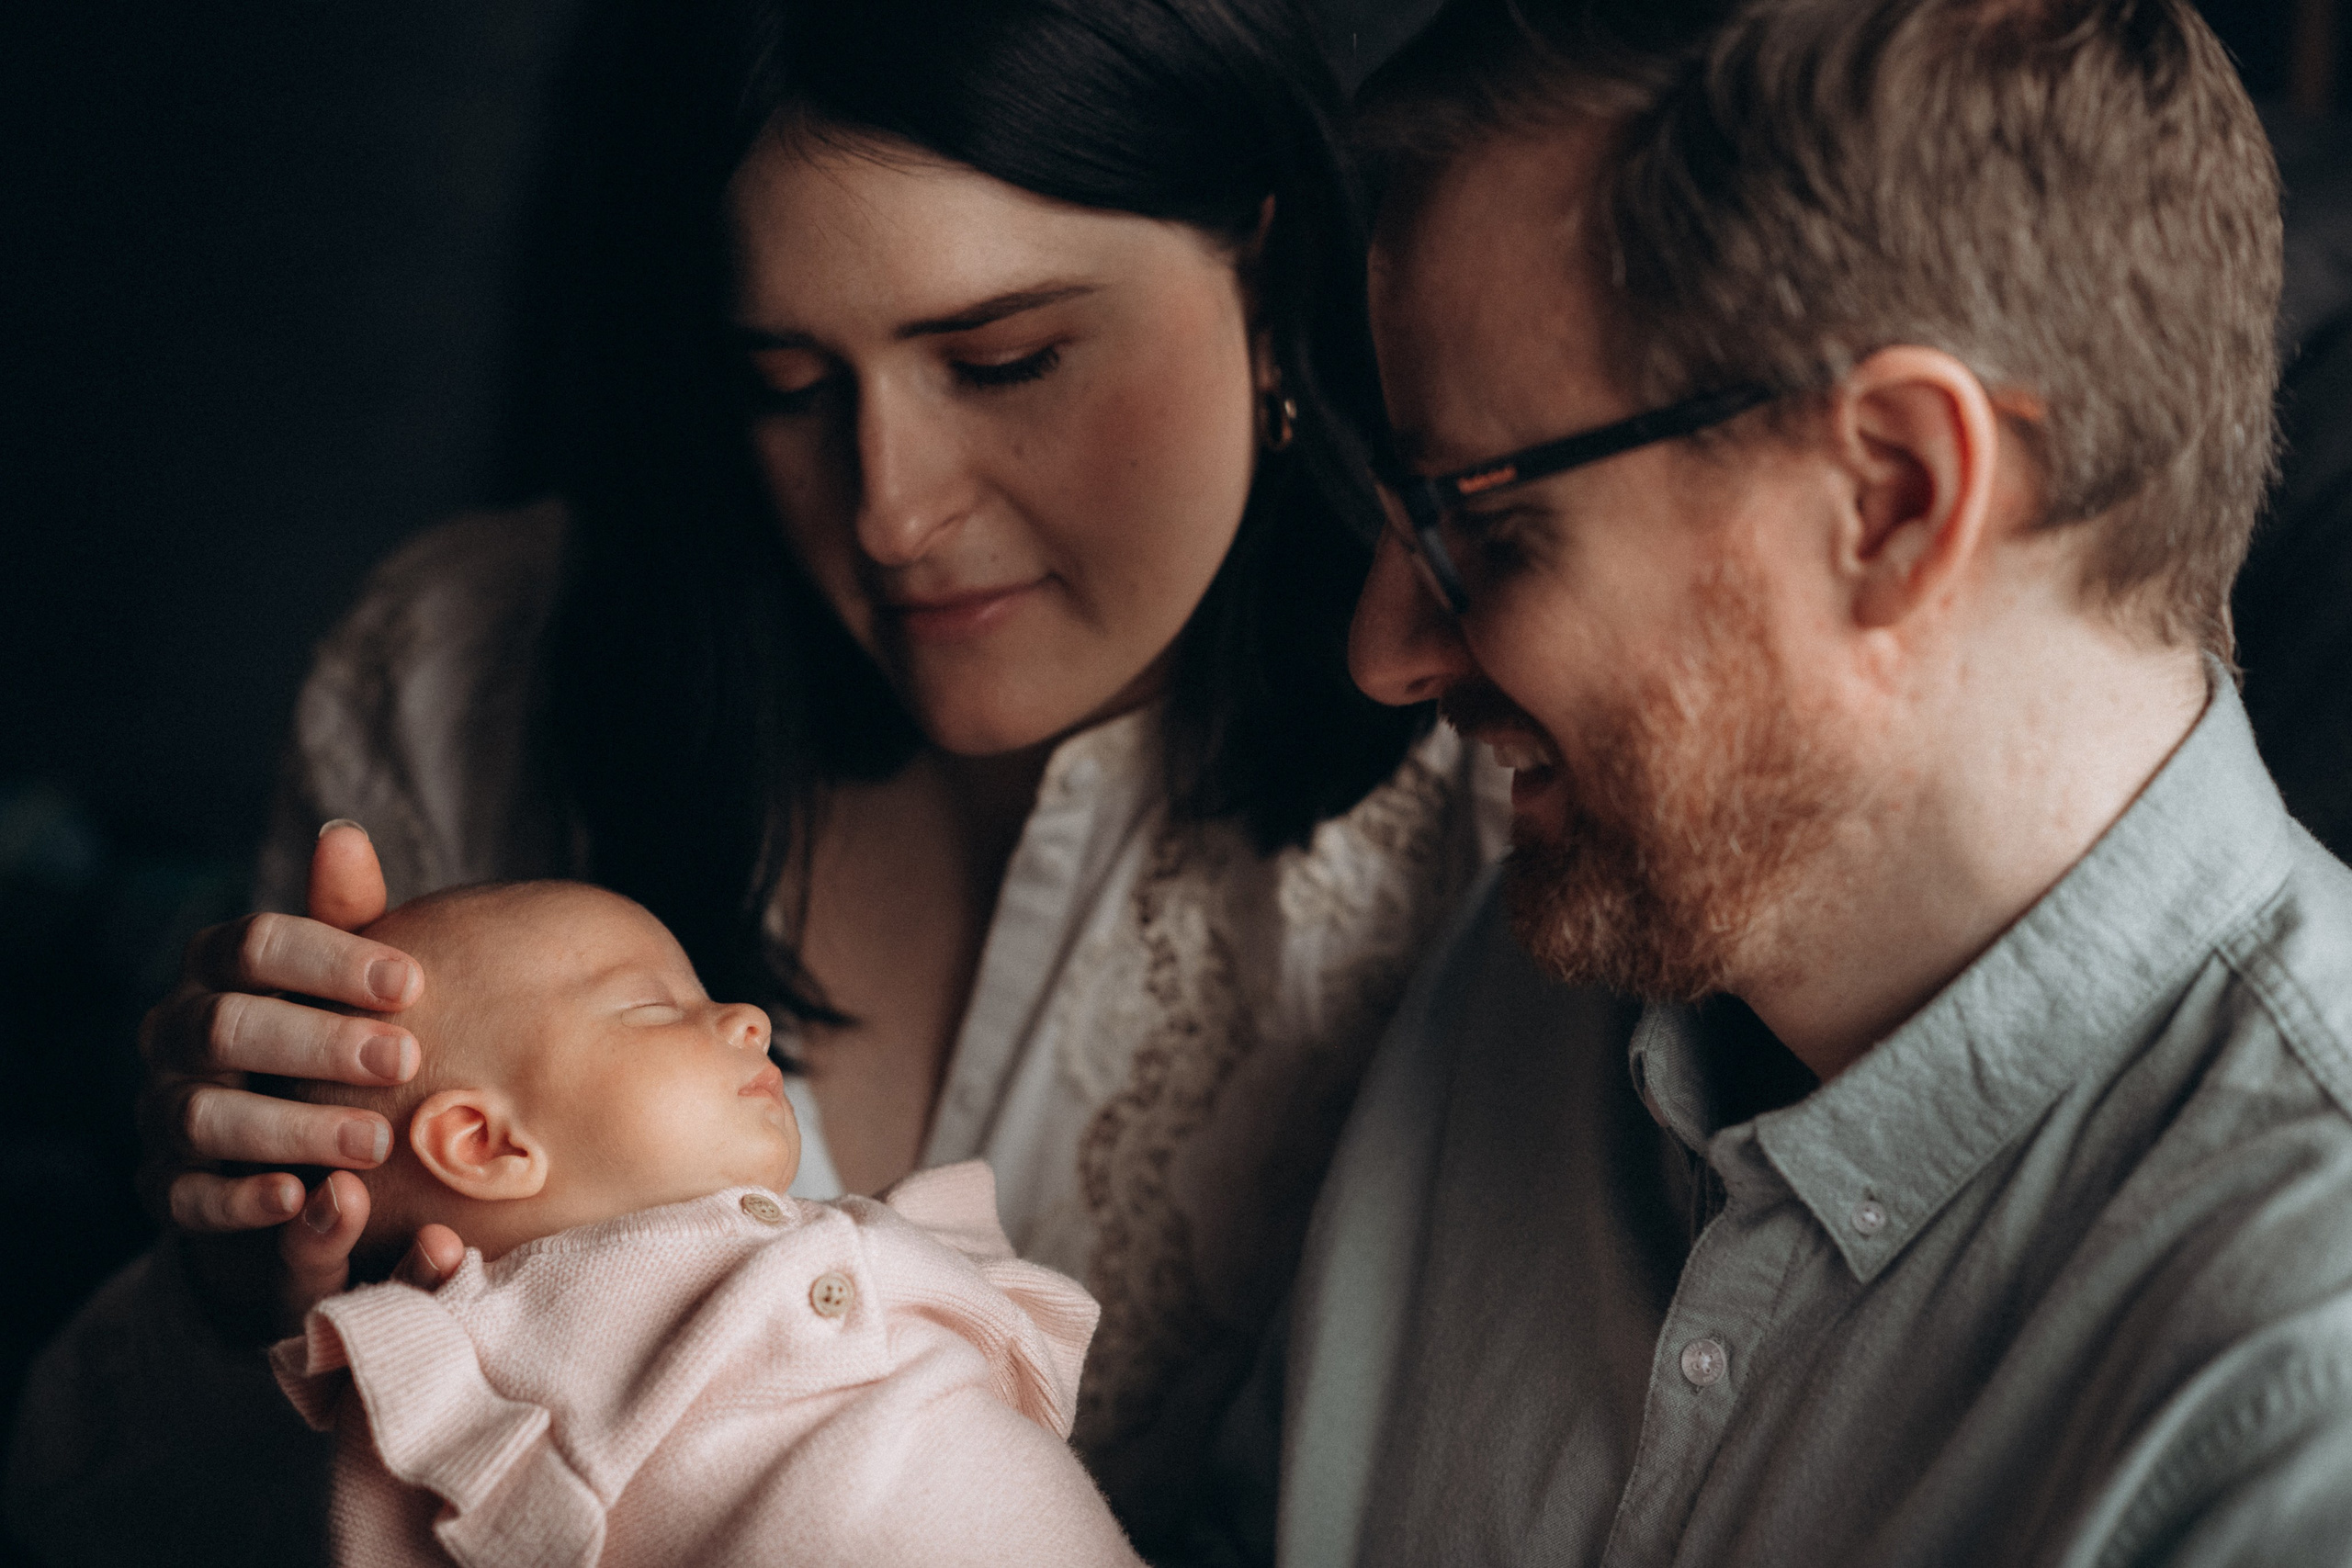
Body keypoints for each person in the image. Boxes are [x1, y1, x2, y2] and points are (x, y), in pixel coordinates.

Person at [7, 0, 1502, 1560]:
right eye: (786, 385)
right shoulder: (464, 682)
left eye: (1002, 360)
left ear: (1264, 265)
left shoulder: (1500, 785)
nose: (892, 514)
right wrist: (244, 1301)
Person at [1218, 0, 2352, 1562]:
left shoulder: (2307, 1383)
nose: (1386, 650)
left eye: (1484, 526)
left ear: (1892, 498)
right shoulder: (1546, 955)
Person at [266, 878, 1139, 1567]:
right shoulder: (483, 1365)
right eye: (653, 1008)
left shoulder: (845, 1232)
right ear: (486, 1141)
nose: (748, 1017)